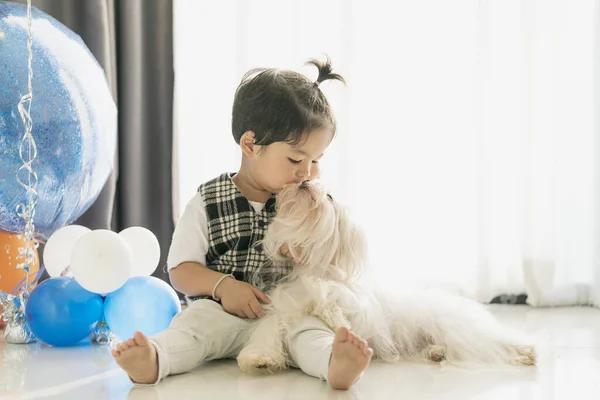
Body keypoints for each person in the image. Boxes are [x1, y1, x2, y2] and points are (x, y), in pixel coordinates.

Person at [112, 57, 373, 390]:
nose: (306, 172)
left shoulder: (300, 201)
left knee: (310, 332)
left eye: (316, 161)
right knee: (192, 326)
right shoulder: (207, 201)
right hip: (223, 315)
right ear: (251, 144)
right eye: (296, 159)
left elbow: (330, 252)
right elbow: (180, 270)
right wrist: (223, 286)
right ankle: (154, 359)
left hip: (283, 317)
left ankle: (334, 363)